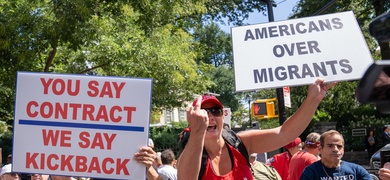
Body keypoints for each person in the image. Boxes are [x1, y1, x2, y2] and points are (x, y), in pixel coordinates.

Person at [176, 78, 336, 180]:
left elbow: (285, 133)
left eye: (215, 111)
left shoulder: (240, 143)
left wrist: (314, 99)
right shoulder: (191, 156)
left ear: (223, 116)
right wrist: (197, 130)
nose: (210, 117)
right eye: (204, 112)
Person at [300, 130, 371, 179]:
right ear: (320, 149)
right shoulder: (311, 172)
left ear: (343, 149)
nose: (335, 149)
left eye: (339, 146)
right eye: (330, 146)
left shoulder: (357, 171)